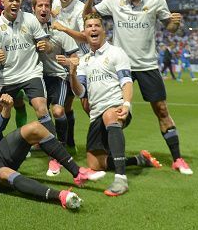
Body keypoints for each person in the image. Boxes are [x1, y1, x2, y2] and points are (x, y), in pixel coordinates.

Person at [84, 0, 193, 175]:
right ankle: (107, 153)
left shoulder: (155, 0)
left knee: (161, 110)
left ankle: (177, 159)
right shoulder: (114, 0)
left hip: (147, 65)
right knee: (108, 109)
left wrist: (176, 24)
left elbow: (170, 27)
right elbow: (88, 16)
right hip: (119, 64)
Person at [68, 13, 162, 196]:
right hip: (96, 114)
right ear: (84, 32)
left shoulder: (116, 53)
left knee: (109, 115)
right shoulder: (84, 60)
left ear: (103, 30)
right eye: (89, 26)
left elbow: (126, 81)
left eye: (97, 25)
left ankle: (121, 179)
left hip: (115, 106)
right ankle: (139, 160)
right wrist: (71, 74)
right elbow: (80, 92)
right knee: (95, 164)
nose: (93, 28)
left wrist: (126, 104)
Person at [0, 0, 57, 145]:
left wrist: (46, 46)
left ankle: (55, 153)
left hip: (30, 73)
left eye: (17, 0)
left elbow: (48, 45)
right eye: (11, 0)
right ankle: (0, 142)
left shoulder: (30, 19)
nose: (14, 3)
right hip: (8, 76)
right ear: (2, 2)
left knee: (41, 109)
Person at [32, 0, 79, 177]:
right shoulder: (27, 26)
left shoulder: (60, 29)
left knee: (58, 111)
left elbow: (75, 57)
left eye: (47, 5)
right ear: (33, 8)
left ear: (51, 9)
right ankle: (52, 143)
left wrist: (69, 62)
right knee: (41, 112)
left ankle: (60, 151)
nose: (44, 9)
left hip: (58, 76)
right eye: (40, 5)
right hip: (36, 77)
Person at [50, 0, 88, 153]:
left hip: (78, 58)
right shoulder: (55, 4)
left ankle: (100, 140)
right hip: (58, 59)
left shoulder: (80, 9)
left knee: (82, 102)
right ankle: (68, 142)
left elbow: (86, 37)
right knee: (65, 105)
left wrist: (64, 28)